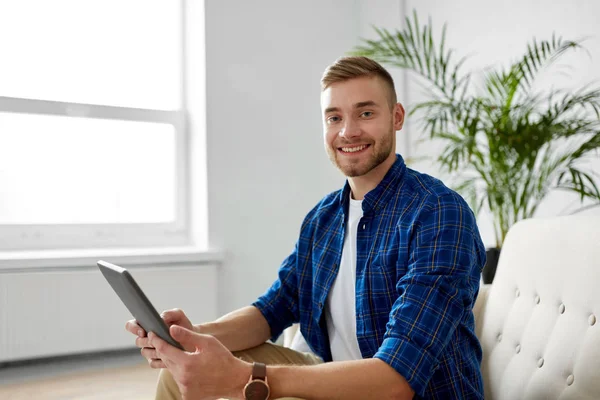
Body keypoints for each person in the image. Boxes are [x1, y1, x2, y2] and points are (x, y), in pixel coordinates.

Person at [126, 56, 486, 400]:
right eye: (334, 117)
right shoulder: (323, 219)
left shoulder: (438, 214)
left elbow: (396, 381)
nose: (348, 131)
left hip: (398, 392)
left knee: (269, 392)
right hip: (335, 376)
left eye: (365, 113)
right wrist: (190, 337)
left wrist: (247, 378)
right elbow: (272, 310)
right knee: (181, 369)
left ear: (396, 117)